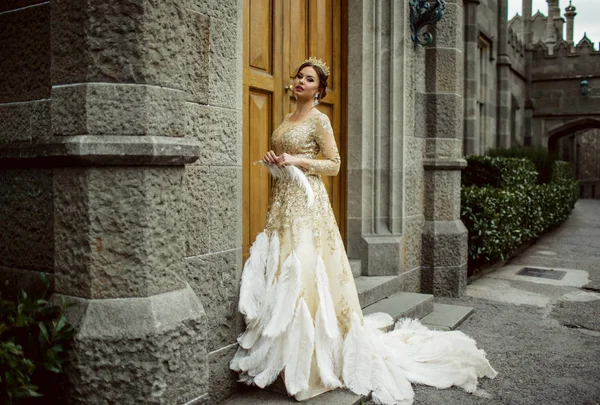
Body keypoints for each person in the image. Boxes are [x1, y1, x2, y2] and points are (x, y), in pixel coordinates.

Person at [230, 57, 497, 405]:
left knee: (306, 274)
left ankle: (310, 363)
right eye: (298, 76)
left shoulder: (319, 119)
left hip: (308, 209)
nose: (300, 81)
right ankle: (278, 362)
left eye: (308, 79)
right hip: (282, 203)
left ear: (318, 90)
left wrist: (297, 161)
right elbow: (287, 164)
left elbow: (334, 165)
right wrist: (275, 162)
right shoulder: (285, 120)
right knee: (284, 272)